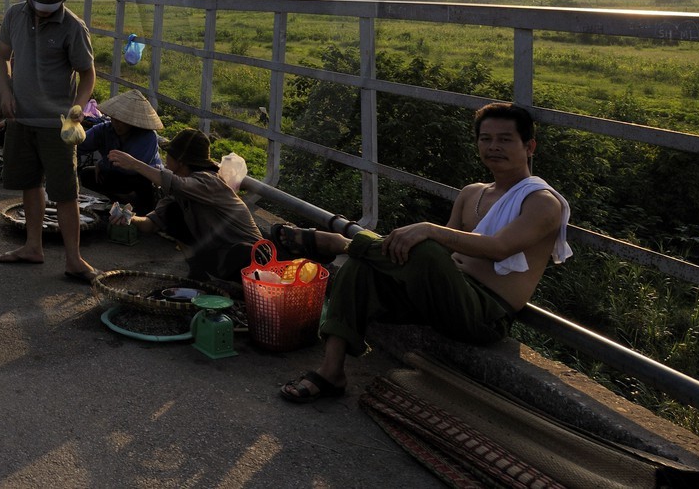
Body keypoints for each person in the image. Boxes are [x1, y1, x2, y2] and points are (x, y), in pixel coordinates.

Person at [274, 102, 572, 404]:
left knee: (424, 248)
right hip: (439, 293)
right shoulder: (473, 192)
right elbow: (442, 249)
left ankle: (344, 243)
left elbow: (499, 249)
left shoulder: (542, 202)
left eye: (505, 139)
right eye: (486, 138)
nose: (494, 146)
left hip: (482, 313)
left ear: (529, 146)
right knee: (358, 268)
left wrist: (430, 229)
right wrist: (426, 238)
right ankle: (331, 371)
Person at [0, 0, 99, 283]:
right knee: (29, 183)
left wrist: (78, 108)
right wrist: (5, 92)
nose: (42, 14)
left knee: (65, 192)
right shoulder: (14, 16)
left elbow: (88, 74)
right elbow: (2, 58)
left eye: (49, 9)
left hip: (57, 125)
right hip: (21, 118)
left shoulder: (73, 28)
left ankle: (74, 259)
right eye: (38, 8)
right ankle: (32, 247)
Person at [107, 129, 261, 282]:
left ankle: (244, 290)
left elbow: (175, 184)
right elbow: (151, 224)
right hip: (222, 254)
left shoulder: (209, 181)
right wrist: (129, 218)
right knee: (173, 212)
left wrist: (135, 164)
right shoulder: (178, 192)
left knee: (242, 253)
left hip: (253, 257)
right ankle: (198, 273)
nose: (166, 159)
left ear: (180, 160)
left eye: (169, 155)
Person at [78, 90, 166, 212]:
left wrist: (102, 164)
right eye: (114, 119)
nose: (117, 124)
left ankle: (140, 210)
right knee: (86, 174)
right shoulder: (104, 129)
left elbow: (131, 168)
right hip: (117, 176)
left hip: (141, 178)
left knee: (144, 183)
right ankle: (118, 200)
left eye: (122, 121)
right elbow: (80, 144)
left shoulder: (147, 136)